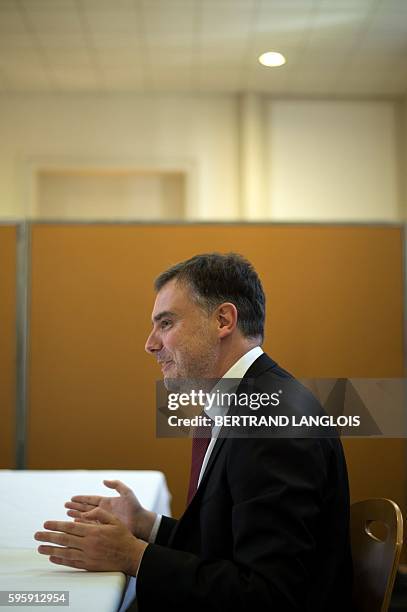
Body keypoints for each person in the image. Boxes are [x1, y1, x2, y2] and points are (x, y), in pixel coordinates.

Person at [34, 253, 353, 611]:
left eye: (166, 323)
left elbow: (268, 594)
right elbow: (226, 544)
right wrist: (147, 525)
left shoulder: (271, 423)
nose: (150, 343)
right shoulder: (250, 401)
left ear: (223, 320)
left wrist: (134, 556)